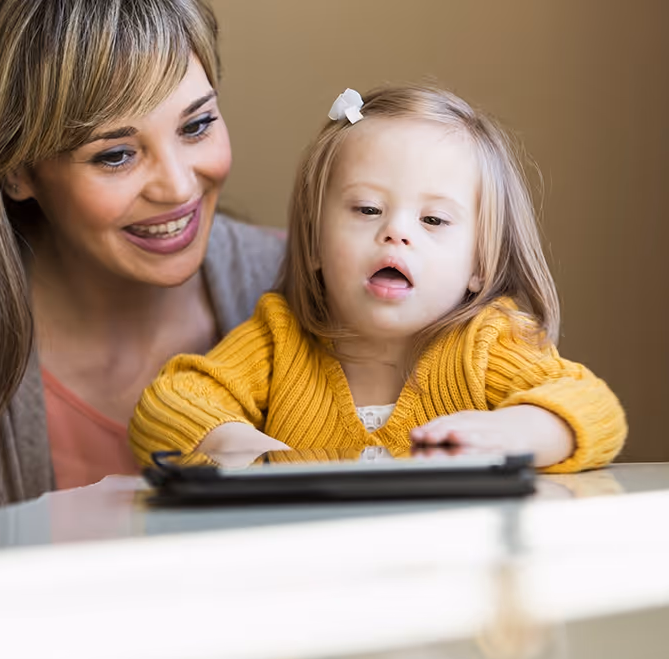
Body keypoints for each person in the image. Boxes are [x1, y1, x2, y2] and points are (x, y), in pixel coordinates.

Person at [0, 0, 284, 544]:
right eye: (115, 155)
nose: (179, 187)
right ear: (17, 170)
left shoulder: (309, 285)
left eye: (198, 124)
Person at [130, 85, 627, 472]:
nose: (395, 233)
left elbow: (592, 407)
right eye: (368, 209)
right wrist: (247, 452)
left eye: (433, 221)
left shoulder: (488, 342)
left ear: (480, 265)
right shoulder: (278, 340)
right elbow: (170, 404)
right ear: (316, 241)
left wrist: (511, 432)